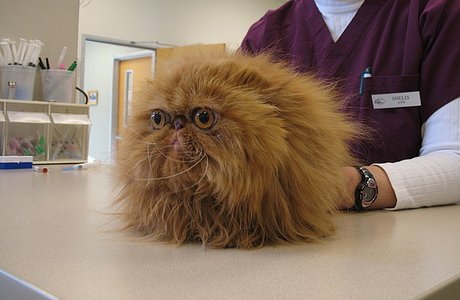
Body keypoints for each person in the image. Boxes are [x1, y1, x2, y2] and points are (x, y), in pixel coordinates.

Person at [240, 0, 460, 210]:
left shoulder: (434, 14)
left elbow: (453, 161)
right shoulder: (263, 37)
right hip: (285, 241)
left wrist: (348, 186)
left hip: (408, 233)